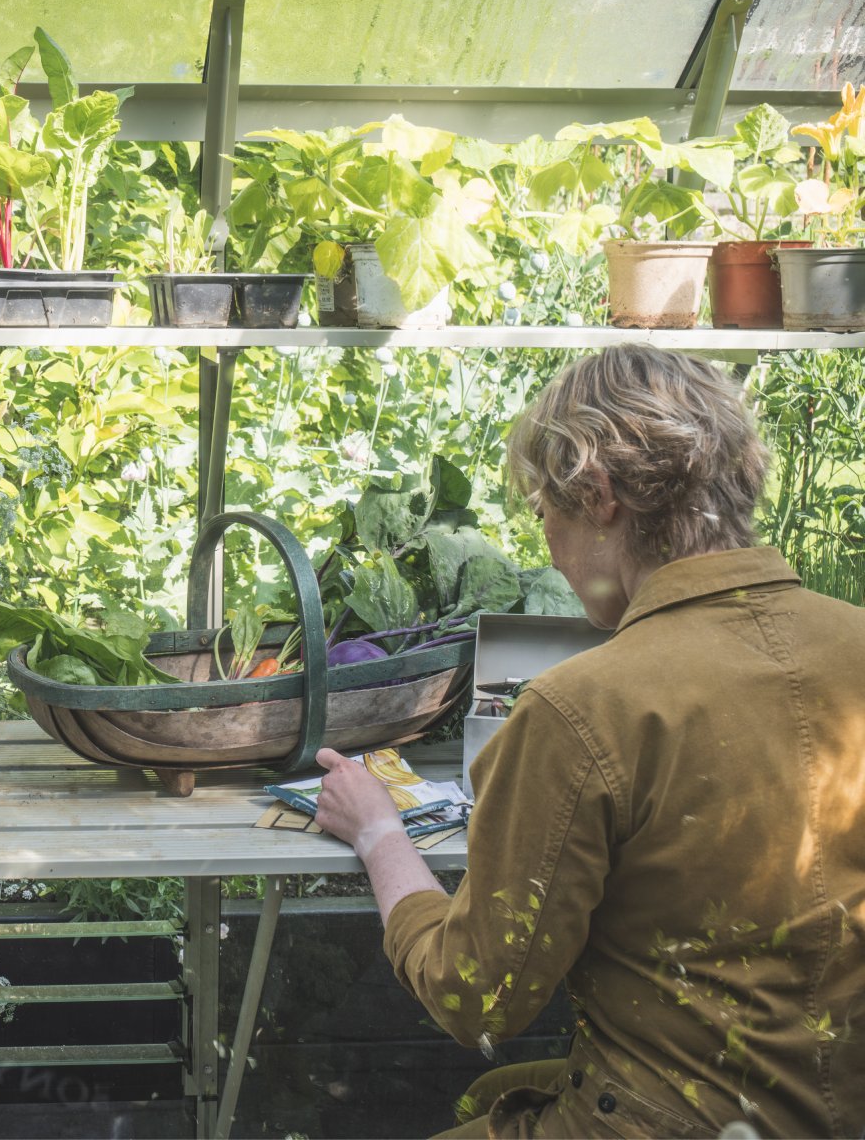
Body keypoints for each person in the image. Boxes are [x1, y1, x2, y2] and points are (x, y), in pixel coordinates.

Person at [314, 345, 865, 1139]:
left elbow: (477, 999)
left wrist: (377, 833)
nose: (549, 550)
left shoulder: (584, 708)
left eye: (546, 514)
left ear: (598, 496)